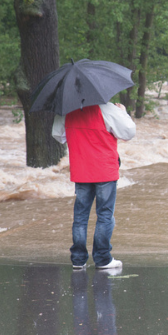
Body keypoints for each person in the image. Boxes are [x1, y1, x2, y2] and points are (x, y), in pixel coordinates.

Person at [53, 102, 135, 272]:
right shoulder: (108, 109)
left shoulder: (66, 111)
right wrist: (124, 112)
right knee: (105, 215)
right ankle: (103, 258)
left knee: (81, 216)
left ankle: (78, 259)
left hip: (81, 169)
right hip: (105, 170)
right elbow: (128, 132)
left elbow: (58, 135)